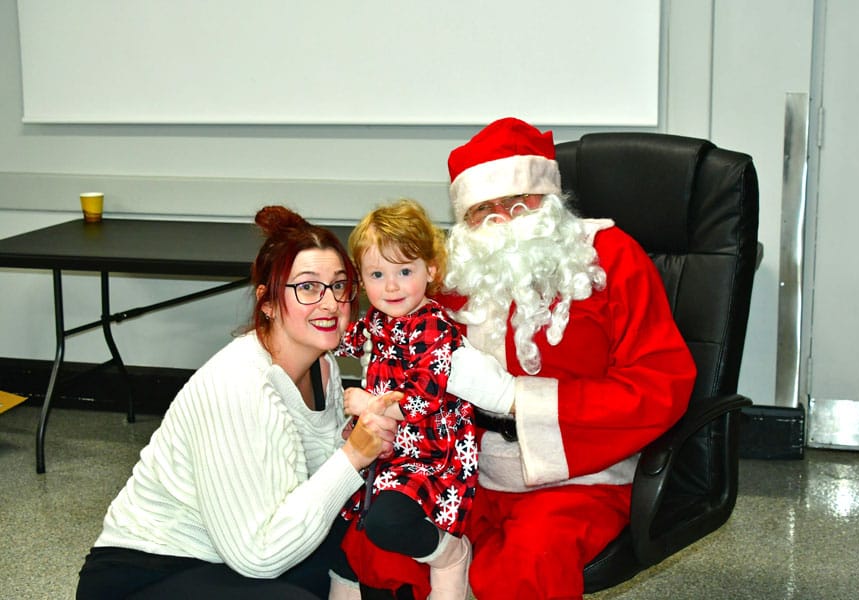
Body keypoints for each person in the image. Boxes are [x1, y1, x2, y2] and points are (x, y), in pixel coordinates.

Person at [361, 117, 697, 600]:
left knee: (525, 569)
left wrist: (517, 399)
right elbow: (411, 358)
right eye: (484, 211)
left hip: (581, 477)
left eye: (519, 203)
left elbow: (661, 385)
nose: (504, 218)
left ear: (551, 201)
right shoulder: (452, 274)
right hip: (468, 469)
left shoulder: (612, 258)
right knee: (382, 548)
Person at [75, 206, 401, 600]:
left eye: (339, 285)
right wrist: (351, 457)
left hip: (232, 556)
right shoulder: (240, 383)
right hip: (147, 572)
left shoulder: (324, 367)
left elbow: (307, 491)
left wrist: (355, 444)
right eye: (308, 287)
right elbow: (258, 556)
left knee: (383, 566)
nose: (330, 303)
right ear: (266, 302)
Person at [330, 199, 476, 600]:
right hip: (387, 447)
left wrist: (366, 404)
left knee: (386, 523)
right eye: (377, 274)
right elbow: (339, 341)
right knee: (339, 520)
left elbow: (421, 399)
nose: (390, 286)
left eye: (404, 271)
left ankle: (449, 556)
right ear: (361, 279)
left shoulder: (435, 325)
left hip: (431, 453)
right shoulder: (377, 320)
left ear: (430, 270)